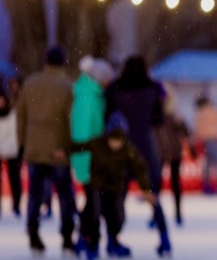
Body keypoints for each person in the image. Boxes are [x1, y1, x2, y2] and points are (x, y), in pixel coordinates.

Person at [65, 112, 170, 260]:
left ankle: (113, 241)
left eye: (119, 140)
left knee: (117, 217)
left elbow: (139, 168)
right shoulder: (98, 144)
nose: (115, 144)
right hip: (97, 186)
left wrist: (145, 188)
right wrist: (64, 151)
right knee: (92, 213)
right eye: (113, 139)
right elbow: (80, 147)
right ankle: (90, 242)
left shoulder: (128, 149)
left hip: (116, 187)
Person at [17, 47, 77, 256]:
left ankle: (33, 235)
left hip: (34, 147)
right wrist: (70, 147)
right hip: (58, 149)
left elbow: (21, 116)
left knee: (34, 194)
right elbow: (72, 119)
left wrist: (23, 142)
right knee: (65, 196)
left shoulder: (30, 83)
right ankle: (67, 239)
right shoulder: (67, 86)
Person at [105, 56, 165, 225]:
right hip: (145, 146)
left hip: (121, 146)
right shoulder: (152, 89)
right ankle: (162, 233)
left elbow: (108, 117)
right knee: (151, 191)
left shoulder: (114, 89)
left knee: (118, 192)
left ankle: (114, 234)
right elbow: (158, 120)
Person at [70, 56, 115, 247]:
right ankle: (88, 237)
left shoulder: (92, 94)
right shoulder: (87, 97)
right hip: (89, 158)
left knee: (93, 199)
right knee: (93, 200)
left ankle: (87, 235)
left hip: (92, 156)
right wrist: (88, 158)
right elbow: (81, 132)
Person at [156, 88, 191, 225]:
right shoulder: (166, 115)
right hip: (166, 151)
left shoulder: (167, 115)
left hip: (166, 152)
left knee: (167, 184)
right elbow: (186, 132)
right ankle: (160, 214)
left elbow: (185, 131)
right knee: (163, 184)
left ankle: (174, 214)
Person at [0, 81, 23, 219]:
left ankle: (16, 206)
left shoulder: (12, 114)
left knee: (14, 179)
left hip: (11, 150)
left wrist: (6, 148)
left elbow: (13, 134)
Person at [194, 95, 217, 194]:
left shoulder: (199, 113)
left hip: (204, 140)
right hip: (212, 138)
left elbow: (197, 128)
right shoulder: (212, 110)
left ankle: (206, 186)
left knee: (207, 163)